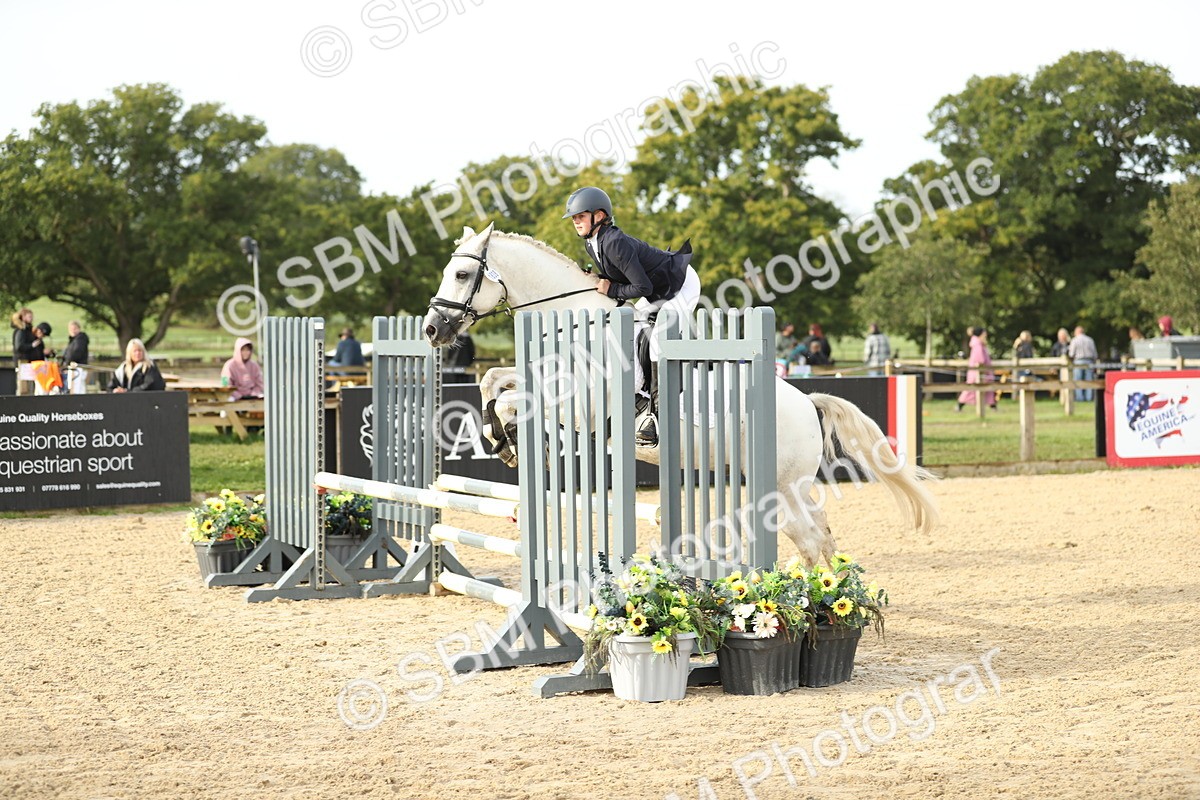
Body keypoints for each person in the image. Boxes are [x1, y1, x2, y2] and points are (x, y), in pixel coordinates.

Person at [563, 186, 700, 447]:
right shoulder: (594, 244)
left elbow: (643, 288)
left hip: (681, 284)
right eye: (573, 217)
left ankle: (656, 418)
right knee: (636, 330)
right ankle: (641, 395)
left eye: (580, 216)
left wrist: (610, 288)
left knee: (659, 340)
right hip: (659, 288)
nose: (575, 221)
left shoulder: (613, 242)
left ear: (599, 215)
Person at [957, 327, 996, 411]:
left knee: (988, 390)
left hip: (982, 371)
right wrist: (984, 368)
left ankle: (993, 406)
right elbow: (980, 359)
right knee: (971, 389)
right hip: (979, 371)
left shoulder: (980, 343)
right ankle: (960, 405)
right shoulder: (977, 344)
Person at [1068, 325, 1098, 402]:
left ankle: (1079, 398)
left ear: (1077, 332)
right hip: (1089, 361)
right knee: (1089, 380)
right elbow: (1095, 353)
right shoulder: (1090, 340)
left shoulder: (1074, 340)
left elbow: (1071, 354)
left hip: (1078, 361)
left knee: (1078, 380)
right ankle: (1088, 398)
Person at [9, 308, 36, 396]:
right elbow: (19, 346)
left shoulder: (27, 330)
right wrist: (32, 345)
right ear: (23, 317)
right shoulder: (21, 331)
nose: (32, 318)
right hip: (23, 362)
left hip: (27, 363)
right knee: (23, 388)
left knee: (29, 387)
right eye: (29, 316)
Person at [59, 321, 90, 394]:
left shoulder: (80, 340)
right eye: (71, 329)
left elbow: (76, 353)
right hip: (73, 367)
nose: (73, 331)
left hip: (78, 367)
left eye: (75, 328)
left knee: (77, 389)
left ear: (79, 329)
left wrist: (67, 362)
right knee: (77, 388)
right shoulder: (73, 341)